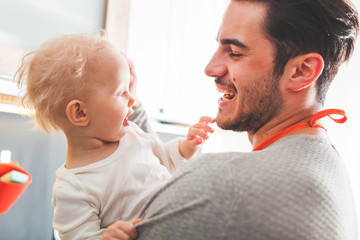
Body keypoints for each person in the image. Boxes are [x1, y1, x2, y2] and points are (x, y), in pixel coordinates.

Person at [102, 0, 359, 239]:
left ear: (302, 71)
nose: (210, 68)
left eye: (234, 52)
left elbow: (206, 193)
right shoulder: (329, 167)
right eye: (219, 47)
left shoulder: (223, 181)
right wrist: (132, 106)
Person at [15, 33, 215, 240]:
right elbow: (78, 237)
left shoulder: (133, 134)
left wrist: (186, 146)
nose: (131, 100)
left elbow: (165, 159)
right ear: (80, 113)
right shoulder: (73, 187)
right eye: (121, 92)